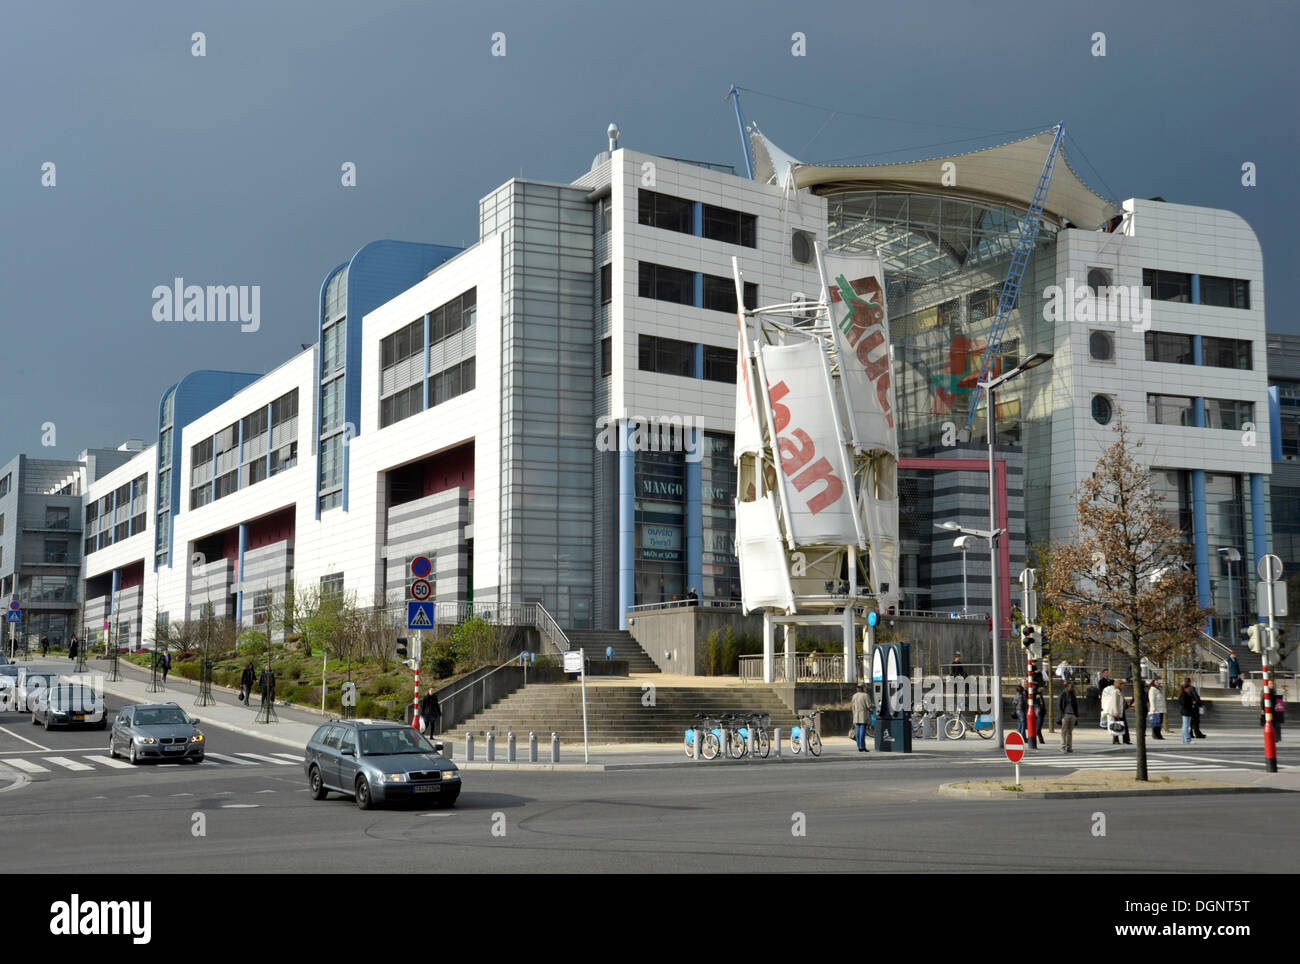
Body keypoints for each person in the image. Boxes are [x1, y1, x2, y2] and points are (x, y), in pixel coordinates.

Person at [1103, 679, 1130, 744]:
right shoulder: (1116, 692)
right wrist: (1115, 712)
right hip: (1117, 711)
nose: (1123, 686)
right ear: (1119, 685)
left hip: (1121, 710)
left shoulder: (1120, 691)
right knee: (1117, 725)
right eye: (1122, 684)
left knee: (1123, 725)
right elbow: (1114, 703)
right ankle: (1116, 739)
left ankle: (1125, 740)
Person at [1058, 681, 1079, 752]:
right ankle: (1063, 746)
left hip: (1072, 715)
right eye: (1071, 687)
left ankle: (1069, 747)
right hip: (1066, 714)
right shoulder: (1063, 694)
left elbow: (1076, 705)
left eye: (1072, 687)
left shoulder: (1073, 694)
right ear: (1067, 687)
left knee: (1069, 732)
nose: (1072, 688)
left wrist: (1076, 716)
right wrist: (1062, 715)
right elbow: (1060, 705)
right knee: (1064, 731)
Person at [851, 683, 871, 752]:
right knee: (862, 731)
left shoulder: (854, 696)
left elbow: (852, 706)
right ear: (863, 688)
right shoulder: (866, 695)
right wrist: (874, 706)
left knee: (857, 732)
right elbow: (869, 706)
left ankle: (859, 746)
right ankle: (862, 746)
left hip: (856, 715)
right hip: (863, 715)